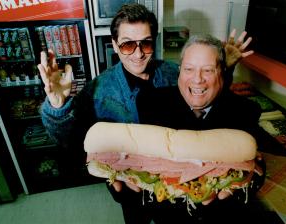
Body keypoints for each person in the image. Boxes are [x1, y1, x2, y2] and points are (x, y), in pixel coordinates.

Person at [37, 3, 254, 224]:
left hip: (177, 183)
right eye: (128, 44)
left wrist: (222, 67)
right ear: (114, 44)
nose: (138, 53)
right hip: (130, 186)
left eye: (145, 43)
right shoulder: (98, 91)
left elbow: (202, 93)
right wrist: (58, 104)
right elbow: (70, 141)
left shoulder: (171, 72)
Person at [136, 34, 267, 223]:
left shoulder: (245, 112)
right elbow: (139, 165)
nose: (197, 79)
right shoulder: (151, 103)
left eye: (208, 70)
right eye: (189, 69)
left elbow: (254, 170)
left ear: (222, 72)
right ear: (179, 71)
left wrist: (233, 188)